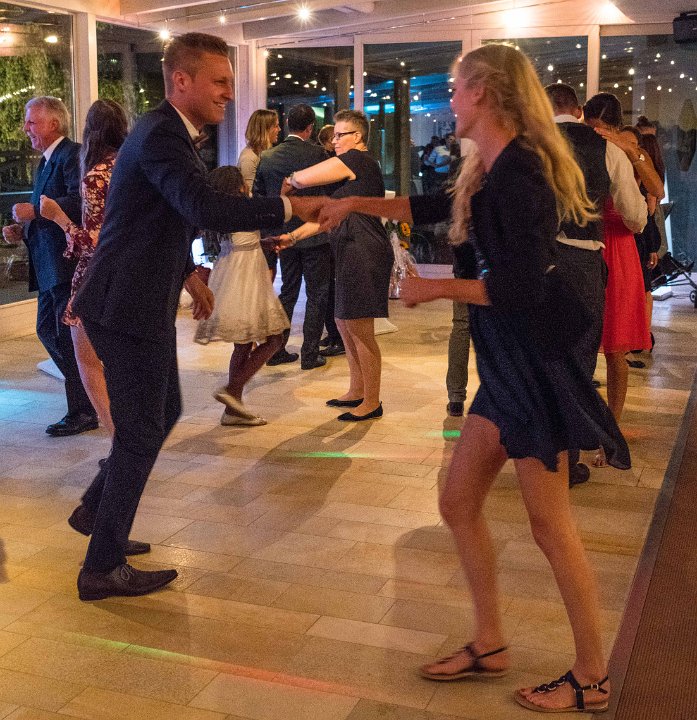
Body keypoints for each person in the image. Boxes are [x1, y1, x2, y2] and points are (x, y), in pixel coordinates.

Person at [316, 44, 631, 712]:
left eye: (458, 88)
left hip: (534, 368)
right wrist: (354, 205)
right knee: (459, 501)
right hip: (508, 367)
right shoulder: (491, 167)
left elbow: (520, 287)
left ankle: (592, 675)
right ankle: (489, 642)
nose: (451, 99)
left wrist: (434, 289)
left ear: (484, 91)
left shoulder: (522, 172)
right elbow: (430, 206)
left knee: (550, 526)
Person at [68, 32, 313, 602]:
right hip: (125, 305)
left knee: (162, 413)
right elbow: (203, 207)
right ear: (181, 81)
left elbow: (157, 217)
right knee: (141, 430)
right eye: (219, 81)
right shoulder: (161, 134)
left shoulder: (168, 133)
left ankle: (96, 513)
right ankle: (101, 566)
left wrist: (189, 276)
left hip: (135, 300)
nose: (229, 92)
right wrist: (288, 206)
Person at [544, 83, 647, 485]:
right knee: (577, 361)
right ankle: (566, 464)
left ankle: (537, 456)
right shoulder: (606, 149)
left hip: (534, 261)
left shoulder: (527, 143)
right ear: (578, 111)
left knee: (539, 357)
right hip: (582, 261)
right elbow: (635, 216)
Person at [278, 109, 393, 422]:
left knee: (359, 327)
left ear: (358, 136)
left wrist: (290, 181)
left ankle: (372, 401)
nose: (334, 141)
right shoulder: (349, 176)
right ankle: (357, 390)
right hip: (349, 249)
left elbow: (305, 178)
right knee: (343, 322)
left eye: (340, 135)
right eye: (334, 135)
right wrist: (292, 237)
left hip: (364, 250)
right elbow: (325, 219)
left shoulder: (360, 161)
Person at [39, 99, 128, 438]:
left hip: (95, 280)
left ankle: (119, 441)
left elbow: (91, 243)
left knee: (88, 362)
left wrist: (58, 217)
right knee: (122, 365)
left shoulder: (96, 175)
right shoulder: (129, 168)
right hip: (129, 276)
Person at [10, 96, 97, 437]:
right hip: (47, 266)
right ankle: (89, 397)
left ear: (53, 124)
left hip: (65, 264)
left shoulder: (71, 155)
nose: (25, 129)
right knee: (49, 332)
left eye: (31, 122)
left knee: (65, 336)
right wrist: (22, 228)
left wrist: (33, 212)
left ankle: (84, 409)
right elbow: (45, 214)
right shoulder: (45, 162)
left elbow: (80, 202)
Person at [583, 93, 656, 434]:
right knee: (584, 339)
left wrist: (631, 151)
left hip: (622, 245)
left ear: (611, 125)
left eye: (597, 126)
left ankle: (612, 426)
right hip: (592, 243)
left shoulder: (627, 145)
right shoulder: (585, 147)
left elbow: (655, 190)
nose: (593, 132)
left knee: (616, 345)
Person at [194, 166, 289, 425]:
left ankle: (233, 409)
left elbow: (243, 241)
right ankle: (232, 390)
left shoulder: (224, 216)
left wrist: (263, 243)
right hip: (246, 282)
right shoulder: (241, 211)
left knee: (243, 344)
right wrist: (284, 195)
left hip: (234, 277)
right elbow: (273, 214)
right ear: (237, 187)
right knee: (274, 340)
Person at [254, 103, 332, 370]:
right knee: (317, 293)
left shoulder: (268, 157)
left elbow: (260, 198)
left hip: (284, 234)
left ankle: (276, 349)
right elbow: (329, 192)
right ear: (310, 127)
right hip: (314, 234)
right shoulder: (319, 154)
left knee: (288, 290)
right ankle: (310, 354)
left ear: (287, 124)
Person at [238, 109, 281, 280]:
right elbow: (247, 195)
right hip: (259, 223)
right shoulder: (249, 157)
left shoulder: (263, 155)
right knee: (265, 271)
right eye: (275, 126)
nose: (278, 130)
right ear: (264, 129)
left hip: (265, 219)